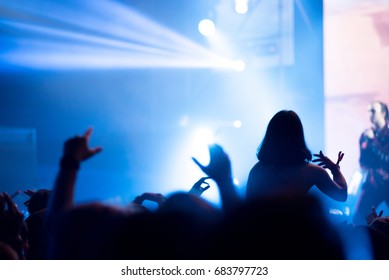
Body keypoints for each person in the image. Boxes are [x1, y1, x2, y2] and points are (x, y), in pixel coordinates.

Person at [246, 110, 347, 202]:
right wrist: (334, 169)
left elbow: (247, 209)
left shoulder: (257, 170)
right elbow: (341, 196)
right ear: (298, 136)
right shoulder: (312, 172)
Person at [353, 101, 389, 225]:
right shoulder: (365, 135)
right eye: (369, 111)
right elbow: (362, 161)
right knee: (358, 217)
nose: (370, 114)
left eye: (373, 111)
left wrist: (373, 141)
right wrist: (373, 171)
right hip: (374, 182)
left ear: (383, 113)